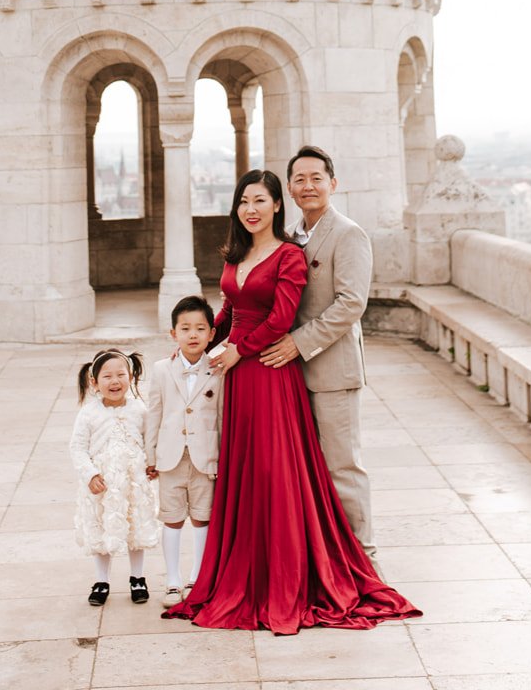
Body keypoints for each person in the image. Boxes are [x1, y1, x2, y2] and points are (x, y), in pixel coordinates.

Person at [164, 169, 421, 634]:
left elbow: (282, 318)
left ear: (277, 206)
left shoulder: (290, 255)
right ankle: (247, 567)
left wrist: (239, 350)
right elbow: (230, 310)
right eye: (244, 201)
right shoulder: (237, 254)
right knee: (245, 467)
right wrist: (200, 342)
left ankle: (295, 572)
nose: (251, 209)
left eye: (261, 200)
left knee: (277, 469)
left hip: (268, 371)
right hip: (239, 377)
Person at [260, 145, 378, 562]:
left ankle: (364, 557)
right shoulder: (290, 237)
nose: (308, 186)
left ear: (333, 183)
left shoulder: (348, 233)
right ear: (289, 189)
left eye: (316, 178)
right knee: (305, 469)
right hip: (289, 374)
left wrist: (298, 342)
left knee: (342, 467)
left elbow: (350, 304)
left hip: (332, 370)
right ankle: (324, 555)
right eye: (299, 179)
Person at [144, 294, 223, 604]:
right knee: (172, 517)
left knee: (203, 517)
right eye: (186, 328)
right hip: (170, 457)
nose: (193, 335)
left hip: (206, 459)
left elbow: (221, 416)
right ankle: (173, 581)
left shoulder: (218, 370)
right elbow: (154, 414)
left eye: (201, 328)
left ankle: (197, 578)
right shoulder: (162, 369)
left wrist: (222, 458)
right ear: (173, 333)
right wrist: (151, 457)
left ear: (212, 333)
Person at [69, 347, 160, 606]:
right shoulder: (88, 413)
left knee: (135, 526)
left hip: (133, 483)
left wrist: (152, 464)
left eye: (121, 374)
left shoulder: (139, 410)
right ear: (94, 382)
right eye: (107, 376)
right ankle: (101, 580)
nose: (115, 381)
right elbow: (77, 447)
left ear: (130, 378)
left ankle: (138, 577)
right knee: (101, 527)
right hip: (103, 485)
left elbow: (149, 440)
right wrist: (90, 474)